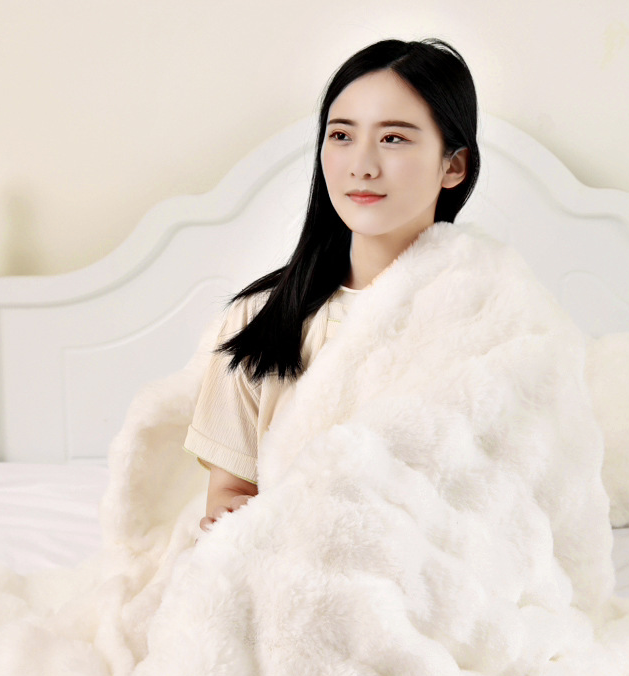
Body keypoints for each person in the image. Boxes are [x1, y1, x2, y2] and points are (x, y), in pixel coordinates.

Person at [183, 38, 480, 531]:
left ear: (453, 165)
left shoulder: (486, 319)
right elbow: (230, 493)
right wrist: (233, 516)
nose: (361, 165)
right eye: (341, 135)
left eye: (393, 138)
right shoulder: (259, 319)